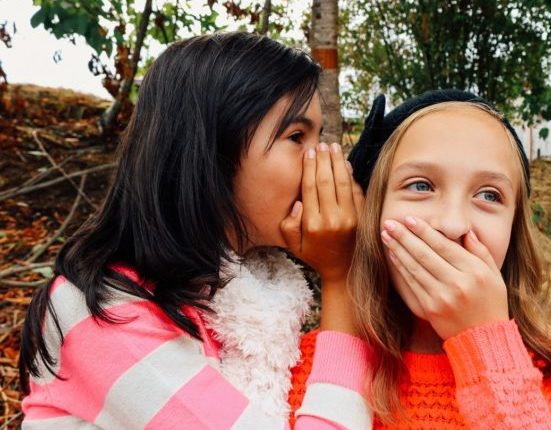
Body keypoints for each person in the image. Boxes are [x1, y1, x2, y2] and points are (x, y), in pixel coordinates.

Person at [20, 32, 372, 429]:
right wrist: (343, 279)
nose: (323, 163)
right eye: (296, 137)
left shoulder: (246, 294)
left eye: (320, 138)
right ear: (212, 152)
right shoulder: (98, 312)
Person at [289, 89, 551, 429]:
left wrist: (488, 348)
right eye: (420, 186)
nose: (452, 225)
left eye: (489, 195)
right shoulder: (304, 367)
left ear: (514, 229)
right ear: (372, 212)